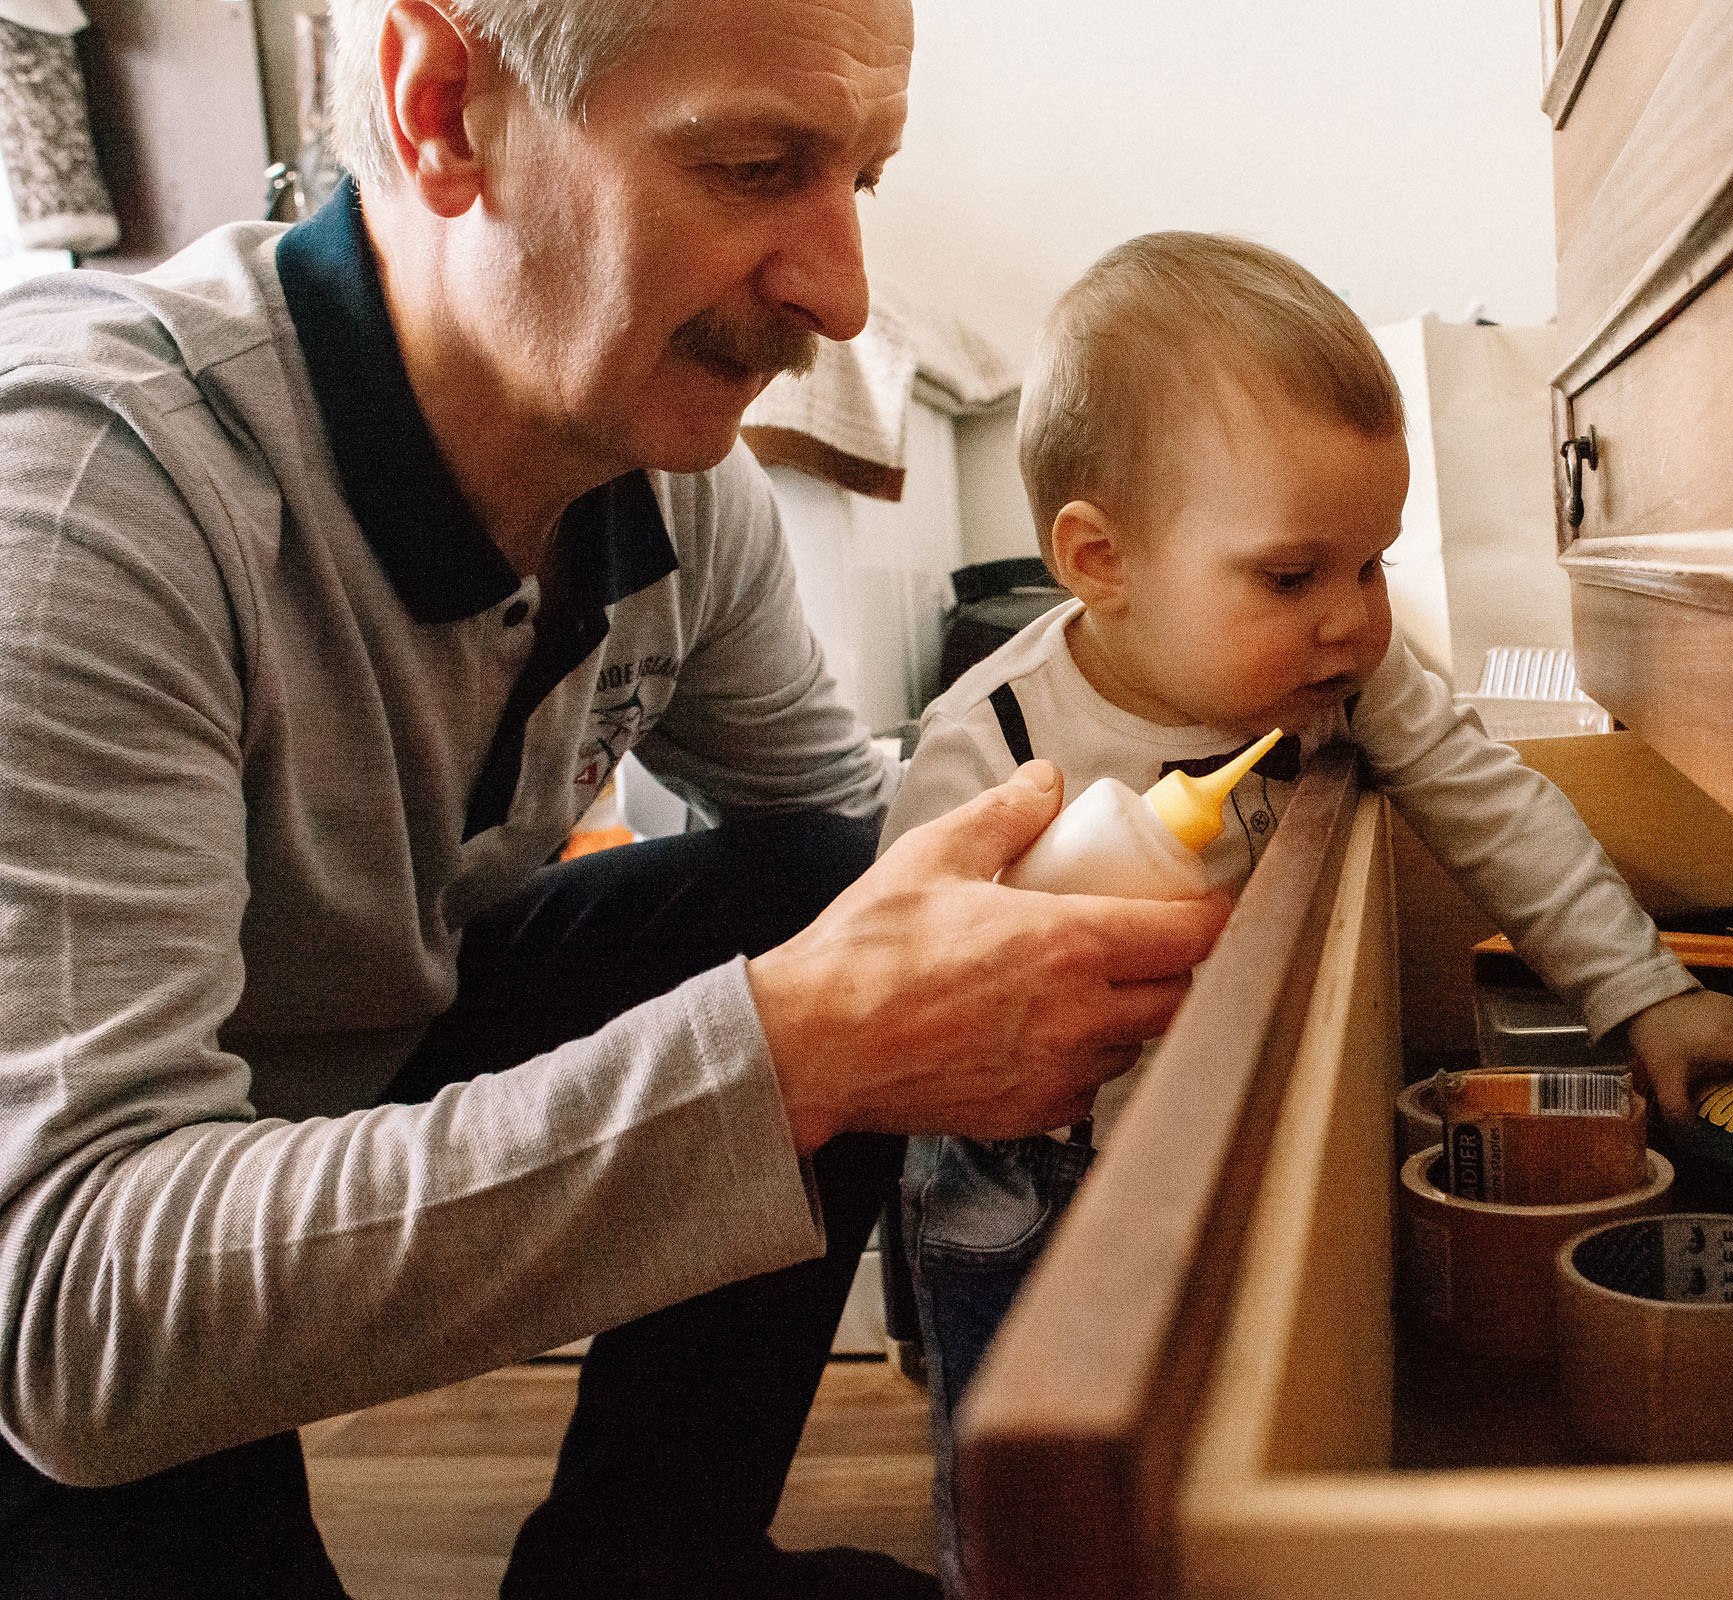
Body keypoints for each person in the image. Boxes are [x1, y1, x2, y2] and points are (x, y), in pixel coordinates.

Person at [0, 2, 1229, 1596]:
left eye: (861, 178)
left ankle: (647, 1560)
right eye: (755, 167)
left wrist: (1147, 798)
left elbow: (867, 864)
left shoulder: (669, 494)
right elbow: (72, 1318)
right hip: (63, 1274)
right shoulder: (86, 498)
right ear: (445, 108)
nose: (843, 294)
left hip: (329, 1060)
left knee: (826, 883)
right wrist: (793, 1057)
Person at [883, 231, 1733, 1597]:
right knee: (1029, 1477)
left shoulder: (1350, 687)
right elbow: (904, 985)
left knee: (1215, 1460)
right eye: (1292, 577)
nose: (1352, 621)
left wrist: (1647, 996)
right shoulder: (993, 747)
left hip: (1241, 1143)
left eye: (1372, 565)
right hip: (1033, 1177)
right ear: (1100, 559)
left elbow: (1497, 810)